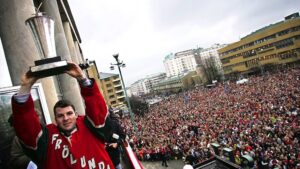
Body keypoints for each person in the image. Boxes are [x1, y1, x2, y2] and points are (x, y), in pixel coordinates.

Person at [11, 62, 115, 169]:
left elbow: (98, 110)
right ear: (55, 119)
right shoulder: (47, 136)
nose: (65, 118)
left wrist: (82, 78)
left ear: (76, 115)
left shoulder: (90, 126)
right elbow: (26, 128)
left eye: (69, 114)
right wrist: (25, 86)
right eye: (60, 116)